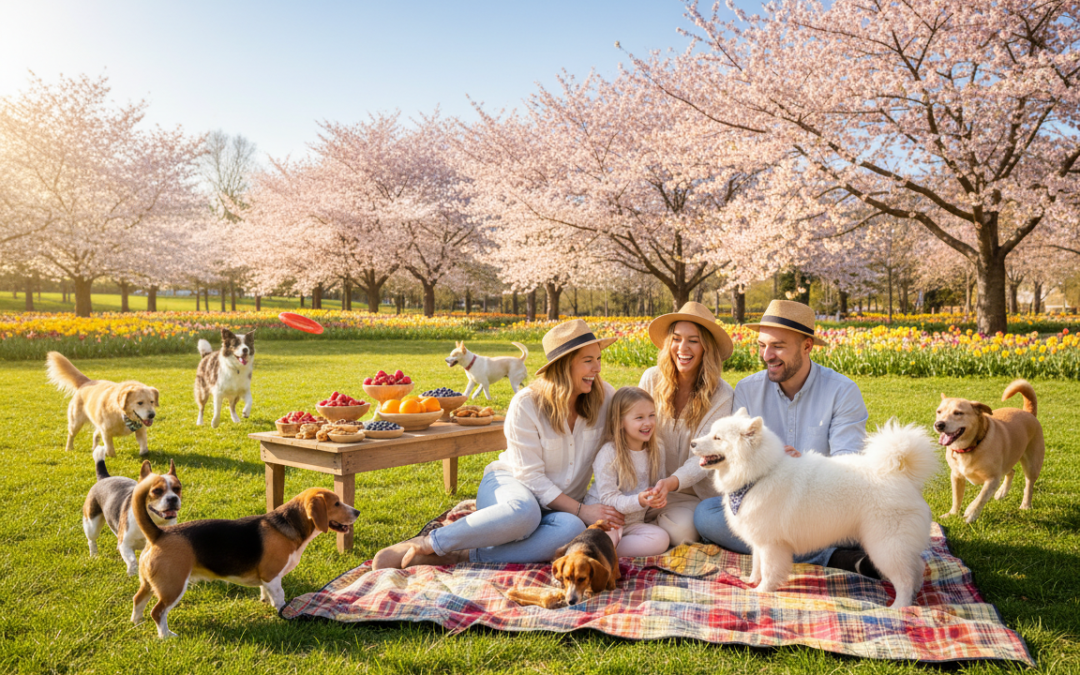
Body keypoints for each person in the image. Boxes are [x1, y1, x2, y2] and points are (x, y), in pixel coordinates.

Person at [372, 319, 621, 569]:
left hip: (559, 510)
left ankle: (462, 554)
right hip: (510, 489)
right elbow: (531, 478)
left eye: (598, 359)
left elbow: (636, 423)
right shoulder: (527, 403)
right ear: (563, 365)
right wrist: (582, 509)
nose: (597, 368)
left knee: (573, 528)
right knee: (526, 513)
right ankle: (431, 542)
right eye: (588, 361)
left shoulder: (605, 398)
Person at [693, 300, 878, 576]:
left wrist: (800, 462)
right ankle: (836, 558)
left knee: (854, 515)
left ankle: (824, 550)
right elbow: (736, 457)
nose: (767, 355)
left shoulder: (842, 392)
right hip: (769, 504)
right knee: (707, 514)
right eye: (761, 345)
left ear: (807, 346)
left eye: (778, 346)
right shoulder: (748, 390)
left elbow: (849, 463)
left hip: (822, 502)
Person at [637, 301, 735, 546]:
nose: (683, 347)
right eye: (677, 338)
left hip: (691, 494)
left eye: (693, 340)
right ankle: (643, 528)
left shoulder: (721, 394)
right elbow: (632, 433)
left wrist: (670, 483)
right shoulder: (651, 379)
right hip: (648, 487)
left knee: (682, 534)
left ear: (706, 347)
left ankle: (649, 531)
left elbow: (704, 456)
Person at [583, 387, 671, 557]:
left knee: (661, 538)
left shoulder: (657, 448)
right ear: (621, 421)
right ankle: (600, 548)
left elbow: (657, 483)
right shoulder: (609, 452)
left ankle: (602, 550)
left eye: (652, 415)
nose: (648, 423)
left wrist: (656, 495)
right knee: (607, 537)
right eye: (639, 418)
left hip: (633, 522)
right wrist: (639, 500)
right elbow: (608, 498)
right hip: (608, 520)